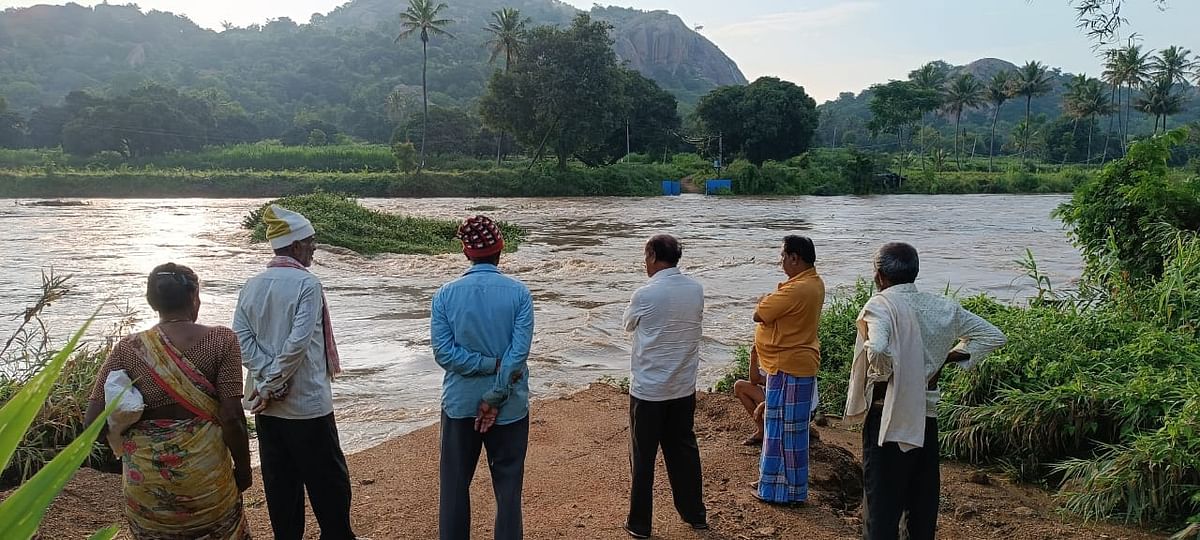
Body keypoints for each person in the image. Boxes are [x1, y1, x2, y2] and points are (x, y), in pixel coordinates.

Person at [845, 242, 1007, 540]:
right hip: (926, 415)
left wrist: (886, 373)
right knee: (921, 505)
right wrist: (949, 357)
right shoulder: (943, 307)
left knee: (882, 508)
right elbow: (993, 336)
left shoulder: (880, 305)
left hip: (887, 417)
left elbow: (877, 348)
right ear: (914, 273)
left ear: (879, 276)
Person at [84, 263, 252, 539]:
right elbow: (233, 417)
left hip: (146, 482)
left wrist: (135, 457)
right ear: (194, 296)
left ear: (152, 302)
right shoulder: (221, 340)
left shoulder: (128, 349)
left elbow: (92, 422)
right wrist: (243, 471)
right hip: (205, 479)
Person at [233, 204, 357, 540]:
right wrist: (276, 381)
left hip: (268, 406)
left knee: (280, 485)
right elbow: (298, 344)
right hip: (308, 405)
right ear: (296, 245)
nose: (315, 247)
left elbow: (241, 340)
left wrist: (268, 381)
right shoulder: (308, 285)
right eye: (312, 241)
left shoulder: (251, 285)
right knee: (329, 484)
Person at [431, 215, 533, 540]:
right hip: (511, 408)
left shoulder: (444, 295)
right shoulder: (520, 294)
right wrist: (496, 392)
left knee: (455, 487)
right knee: (508, 490)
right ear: (500, 250)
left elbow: (444, 354)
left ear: (466, 252)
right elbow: (517, 356)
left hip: (460, 405)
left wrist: (485, 366)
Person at [621, 234, 708, 539]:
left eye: (646, 256)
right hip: (683, 387)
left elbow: (627, 325)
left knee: (643, 458)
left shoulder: (645, 294)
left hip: (649, 390)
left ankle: (640, 524)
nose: (644, 262)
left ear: (654, 256)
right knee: (683, 450)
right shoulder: (696, 290)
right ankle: (695, 514)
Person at [752, 235, 825, 505]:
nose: (781, 260)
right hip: (793, 364)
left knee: (783, 431)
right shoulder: (812, 283)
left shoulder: (798, 289)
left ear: (795, 258)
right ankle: (779, 487)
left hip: (789, 366)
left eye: (783, 256)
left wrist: (764, 301)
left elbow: (760, 313)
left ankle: (783, 492)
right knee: (787, 430)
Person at [733, 346, 767, 445]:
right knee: (740, 386)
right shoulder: (772, 357)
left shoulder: (785, 358)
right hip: (775, 396)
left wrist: (763, 405)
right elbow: (754, 380)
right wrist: (753, 357)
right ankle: (762, 431)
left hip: (794, 402)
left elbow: (788, 392)